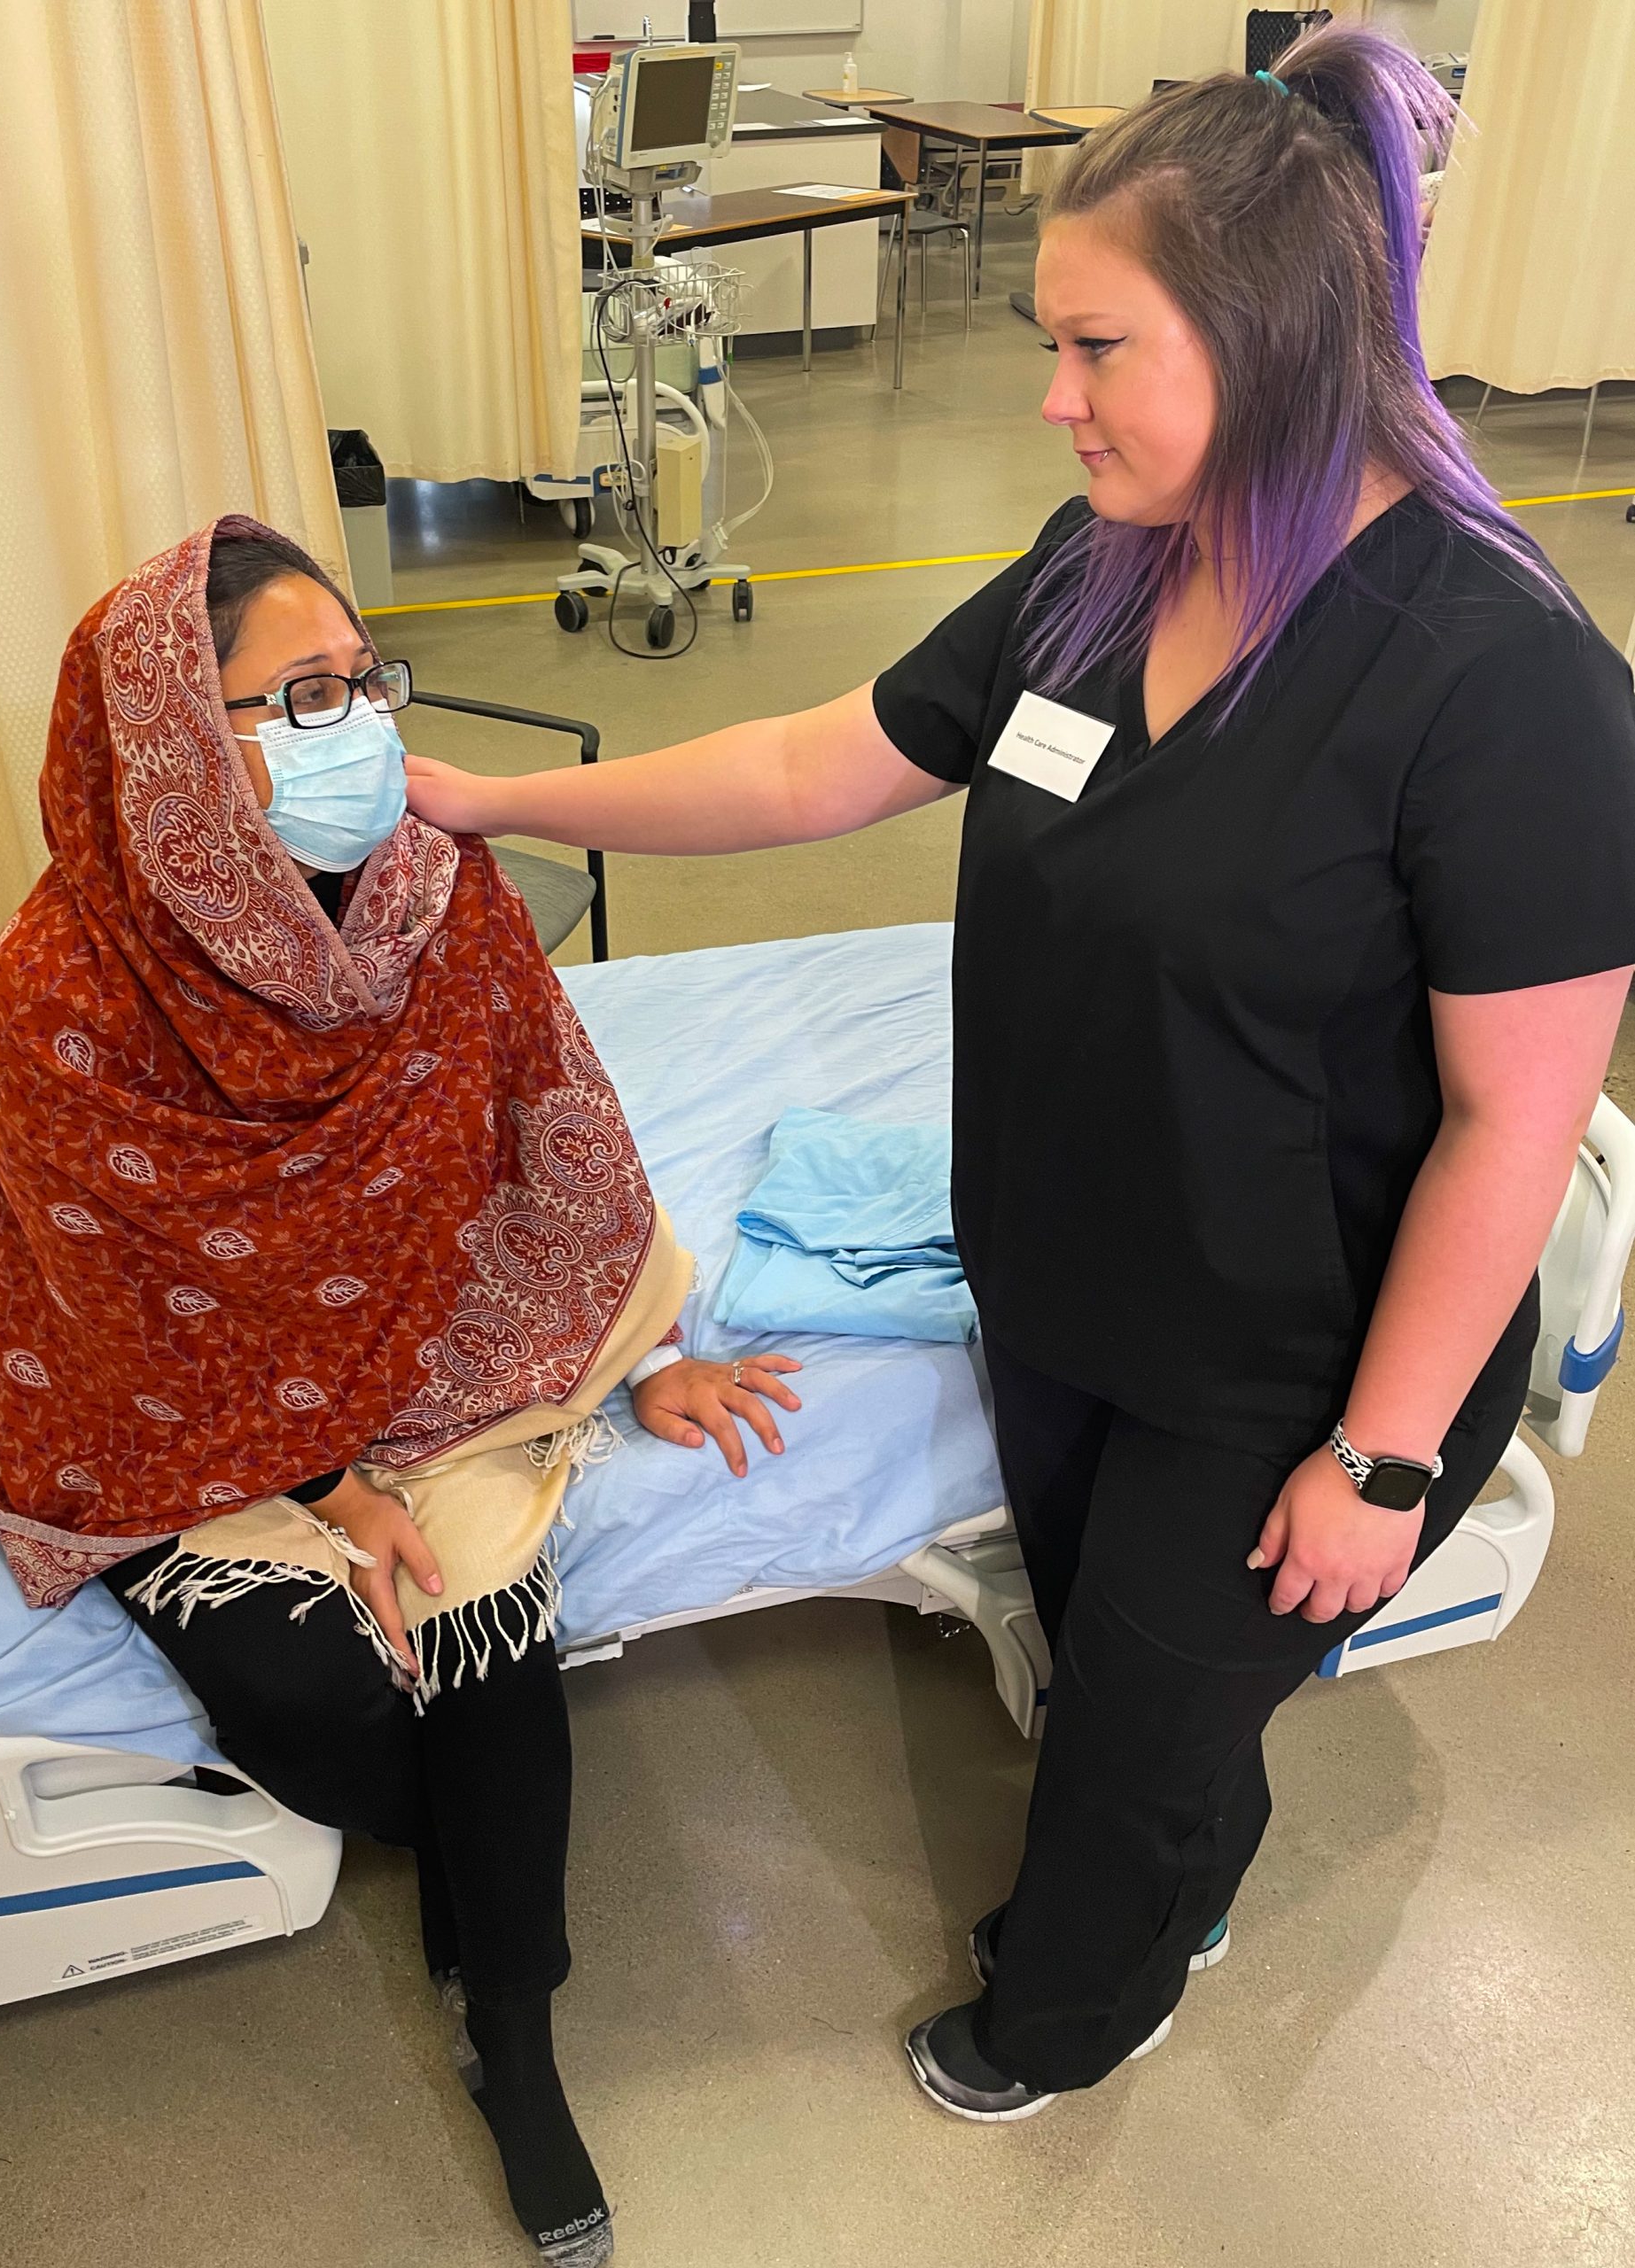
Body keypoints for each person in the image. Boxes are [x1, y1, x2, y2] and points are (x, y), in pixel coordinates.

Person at [400, 26, 1635, 2124]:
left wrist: (1386, 1458)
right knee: (1107, 1657)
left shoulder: (1501, 682)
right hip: (1057, 1272)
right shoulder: (1099, 570)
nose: (1046, 399)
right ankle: (1184, 1867)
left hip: (1289, 1357)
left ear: (1267, 341)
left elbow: (1518, 1117)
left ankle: (1070, 2008)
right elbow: (822, 759)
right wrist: (499, 804)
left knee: (1135, 1724)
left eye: (1092, 347)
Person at [0, 517, 801, 2263]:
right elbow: (117, 1303)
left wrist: (632, 1341)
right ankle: (482, 1871)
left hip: (432, 1336)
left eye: (362, 678)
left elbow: (546, 1108)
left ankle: (511, 2018)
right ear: (173, 741)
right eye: (299, 696)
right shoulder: (58, 989)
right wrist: (330, 1475)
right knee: (311, 1695)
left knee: (484, 1628)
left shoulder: (430, 884)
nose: (357, 726)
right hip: (179, 1404)